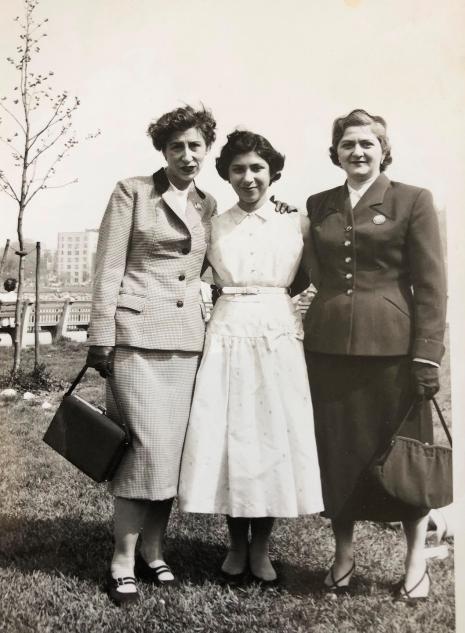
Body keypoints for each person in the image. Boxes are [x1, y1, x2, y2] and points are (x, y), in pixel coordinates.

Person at [303, 109, 447, 602]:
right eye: (348, 144)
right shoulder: (319, 204)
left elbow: (432, 286)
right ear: (336, 153)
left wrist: (427, 356)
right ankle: (343, 557)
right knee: (338, 454)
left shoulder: (413, 200)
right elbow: (310, 271)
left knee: (406, 457)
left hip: (395, 353)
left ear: (384, 150)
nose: (357, 152)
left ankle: (415, 562)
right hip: (328, 350)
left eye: (367, 143)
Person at [86, 105, 218, 604]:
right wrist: (101, 335)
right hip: (136, 337)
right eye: (176, 146)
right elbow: (108, 265)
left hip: (185, 342)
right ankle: (122, 560)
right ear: (162, 150)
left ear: (207, 149)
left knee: (172, 451)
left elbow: (210, 266)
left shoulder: (208, 204)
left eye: (195, 145)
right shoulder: (133, 192)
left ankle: (153, 549)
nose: (187, 155)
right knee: (143, 448)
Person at [178, 130, 324, 584]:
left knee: (270, 438)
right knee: (232, 436)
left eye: (257, 168)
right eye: (238, 169)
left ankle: (261, 548)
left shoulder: (296, 223)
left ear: (272, 172)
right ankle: (235, 546)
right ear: (226, 174)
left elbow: (309, 276)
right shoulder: (213, 225)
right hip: (228, 332)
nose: (248, 177)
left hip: (276, 333)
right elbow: (189, 275)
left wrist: (277, 302)